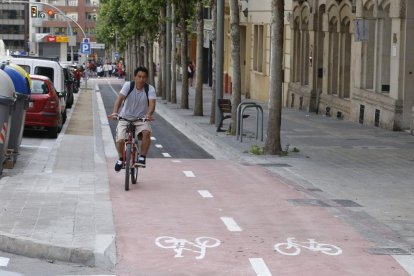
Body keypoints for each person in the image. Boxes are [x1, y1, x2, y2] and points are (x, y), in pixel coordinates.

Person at [109, 66, 156, 171]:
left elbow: (152, 104)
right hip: (124, 118)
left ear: (146, 78)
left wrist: (148, 114)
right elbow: (119, 99)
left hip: (141, 119)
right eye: (139, 76)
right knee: (120, 139)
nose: (141, 79)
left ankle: (142, 157)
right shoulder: (128, 85)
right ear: (135, 77)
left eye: (144, 77)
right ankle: (121, 159)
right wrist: (115, 113)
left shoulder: (150, 89)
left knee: (147, 132)